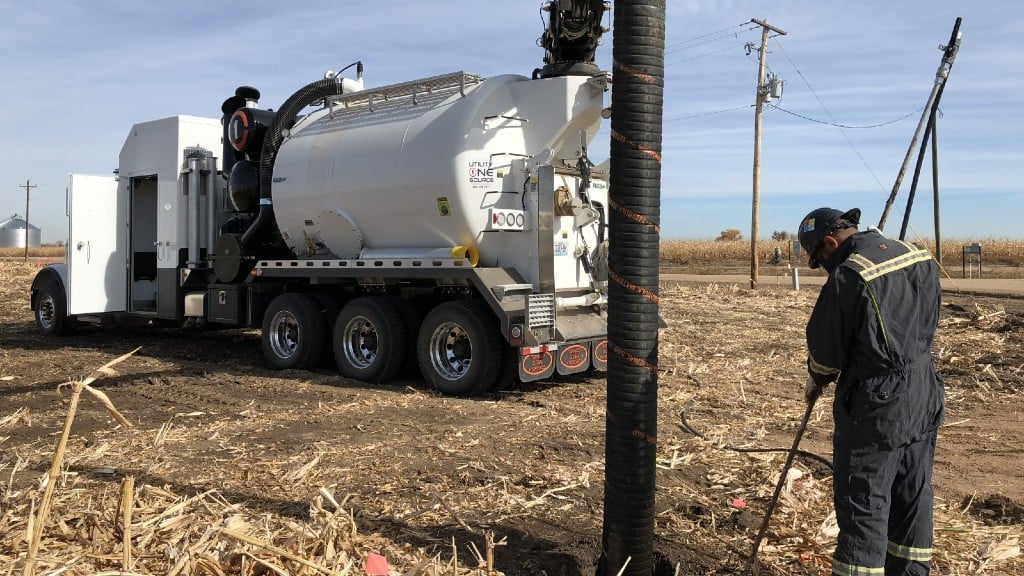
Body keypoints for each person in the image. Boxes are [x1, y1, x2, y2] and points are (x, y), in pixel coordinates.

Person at [798, 207, 945, 576]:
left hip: (876, 403)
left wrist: (816, 377)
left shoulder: (849, 275)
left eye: (820, 260)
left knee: (864, 500)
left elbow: (826, 352)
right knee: (913, 493)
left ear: (830, 242)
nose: (824, 269)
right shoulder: (917, 254)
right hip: (925, 389)